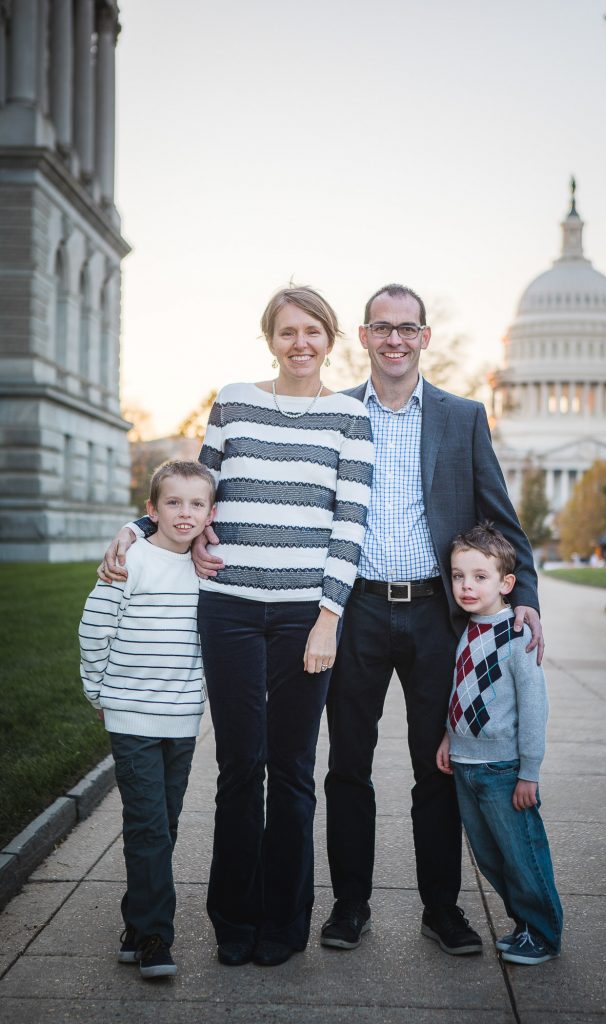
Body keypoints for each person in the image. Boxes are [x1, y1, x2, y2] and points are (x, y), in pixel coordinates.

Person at [98, 286, 374, 968]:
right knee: (238, 765)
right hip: (228, 611)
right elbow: (194, 490)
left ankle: (283, 920)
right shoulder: (234, 401)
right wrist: (136, 528)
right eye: (287, 331)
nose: (299, 342)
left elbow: (350, 524)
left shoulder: (349, 417)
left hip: (303, 615)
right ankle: (233, 919)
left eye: (312, 330)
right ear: (270, 338)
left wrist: (327, 618)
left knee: (291, 770)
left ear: (329, 339)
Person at [317, 284, 544, 956]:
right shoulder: (331, 414)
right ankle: (348, 906)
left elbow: (499, 516)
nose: (394, 339)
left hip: (434, 615)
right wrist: (149, 524)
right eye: (381, 328)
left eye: (406, 328)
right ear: (363, 336)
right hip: (353, 608)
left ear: (424, 337)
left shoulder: (461, 415)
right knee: (347, 766)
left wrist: (522, 589)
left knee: (436, 768)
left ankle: (441, 909)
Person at [79, 460, 217, 979]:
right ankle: (156, 937)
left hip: (181, 720)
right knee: (149, 827)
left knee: (164, 824)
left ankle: (136, 926)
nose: (185, 513)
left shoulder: (206, 567)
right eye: (173, 503)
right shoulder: (128, 561)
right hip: (132, 717)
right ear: (151, 510)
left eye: (196, 504)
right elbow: (94, 631)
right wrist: (99, 691)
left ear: (209, 512)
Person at [436, 523, 562, 965]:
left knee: (522, 854)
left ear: (507, 583)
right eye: (457, 576)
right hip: (466, 765)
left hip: (504, 770)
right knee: (491, 857)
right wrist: (449, 738)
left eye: (479, 576)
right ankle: (524, 927)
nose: (466, 586)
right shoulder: (466, 629)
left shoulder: (518, 634)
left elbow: (533, 708)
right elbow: (461, 689)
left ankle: (543, 933)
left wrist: (530, 770)